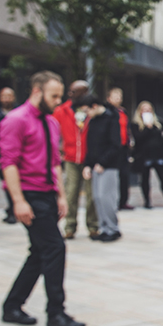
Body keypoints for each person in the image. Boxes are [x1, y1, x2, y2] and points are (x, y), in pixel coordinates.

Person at [0, 71, 84, 326]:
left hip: (47, 193)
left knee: (39, 252)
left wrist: (60, 195)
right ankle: (56, 313)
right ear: (37, 92)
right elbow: (9, 163)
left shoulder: (51, 122)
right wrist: (18, 201)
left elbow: (55, 162)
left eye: (61, 96)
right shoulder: (16, 120)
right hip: (29, 194)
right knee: (55, 248)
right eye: (54, 96)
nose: (58, 101)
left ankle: (12, 306)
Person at [52, 80, 100, 240]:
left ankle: (93, 226)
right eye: (71, 91)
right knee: (71, 192)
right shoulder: (62, 111)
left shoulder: (91, 110)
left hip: (89, 159)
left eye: (75, 92)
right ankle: (70, 227)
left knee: (91, 195)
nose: (70, 94)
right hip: (71, 158)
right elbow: (53, 131)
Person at [80, 94, 123, 242]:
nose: (86, 115)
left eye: (87, 111)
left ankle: (113, 228)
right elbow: (91, 145)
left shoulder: (111, 118)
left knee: (106, 198)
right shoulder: (94, 121)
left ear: (95, 106)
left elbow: (115, 145)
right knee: (97, 197)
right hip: (95, 166)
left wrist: (103, 162)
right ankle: (104, 228)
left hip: (108, 166)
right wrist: (87, 164)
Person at [131, 101, 163, 208]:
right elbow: (138, 138)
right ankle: (147, 201)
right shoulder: (136, 124)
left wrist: (162, 141)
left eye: (149, 110)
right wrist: (147, 128)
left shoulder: (157, 123)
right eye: (144, 110)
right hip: (144, 156)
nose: (147, 112)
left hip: (158, 154)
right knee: (145, 179)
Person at [0, 87, 18, 223]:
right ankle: (11, 209)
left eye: (9, 96)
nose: (6, 99)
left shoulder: (19, 112)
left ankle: (14, 209)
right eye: (4, 96)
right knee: (6, 182)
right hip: (3, 153)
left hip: (18, 153)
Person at [106, 88, 134, 210]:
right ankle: (111, 201)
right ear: (109, 98)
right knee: (112, 177)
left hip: (123, 148)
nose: (118, 98)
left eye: (120, 96)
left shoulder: (123, 112)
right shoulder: (107, 113)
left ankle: (123, 201)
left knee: (124, 175)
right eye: (115, 96)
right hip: (112, 148)